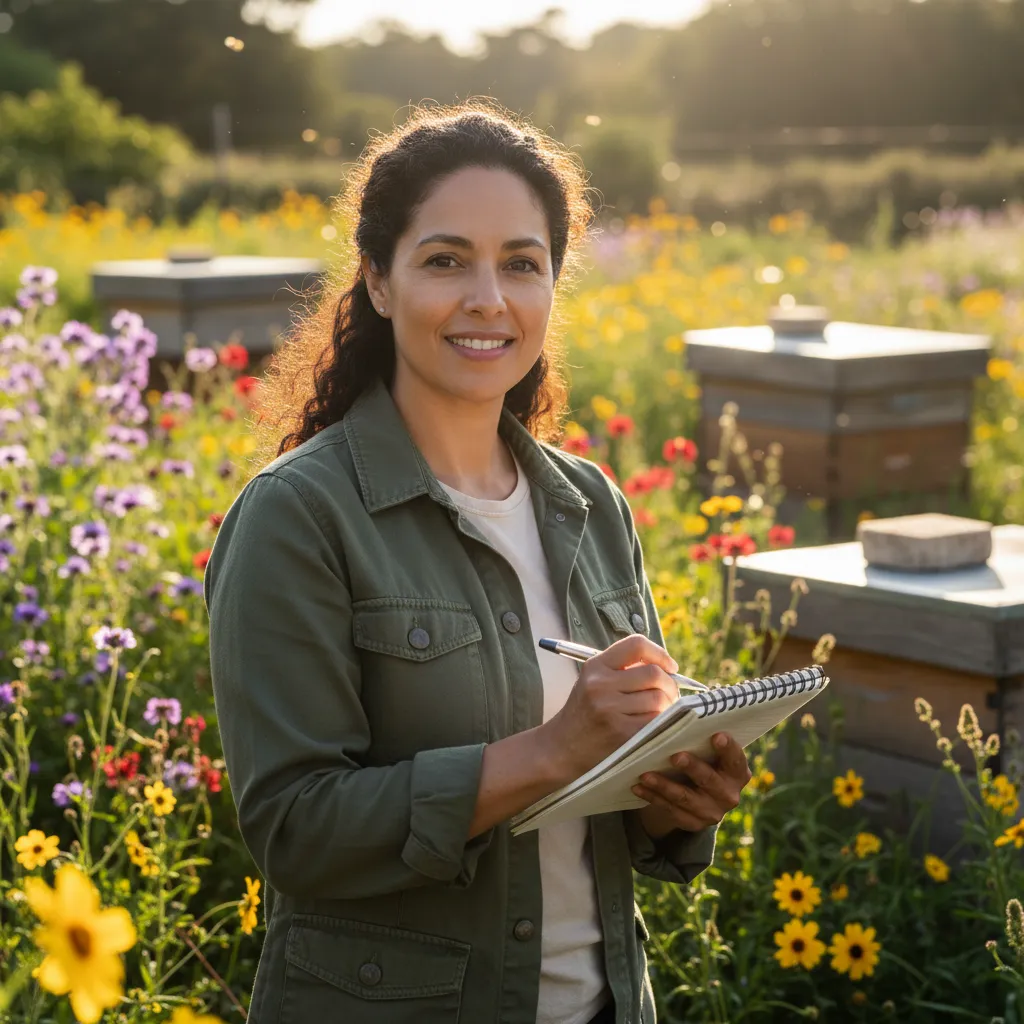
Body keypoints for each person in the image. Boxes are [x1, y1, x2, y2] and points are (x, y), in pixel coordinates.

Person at [204, 100, 752, 1024]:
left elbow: (613, 814)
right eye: (446, 260)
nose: (488, 299)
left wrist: (676, 798)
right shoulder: (298, 516)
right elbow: (294, 831)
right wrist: (549, 750)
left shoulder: (591, 505)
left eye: (522, 265)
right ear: (378, 280)